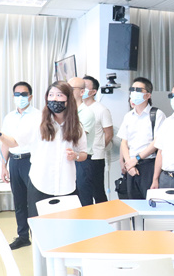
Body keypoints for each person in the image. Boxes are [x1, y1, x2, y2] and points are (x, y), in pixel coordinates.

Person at [0, 81, 87, 217]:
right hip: (41, 184)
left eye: (59, 95)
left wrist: (75, 156)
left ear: (68, 99)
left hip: (67, 185)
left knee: (67, 225)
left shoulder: (76, 126)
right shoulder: (37, 122)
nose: (54, 99)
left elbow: (83, 153)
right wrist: (1, 135)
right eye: (51, 95)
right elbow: (14, 142)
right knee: (39, 225)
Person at [0, 81, 41, 249]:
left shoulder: (38, 115)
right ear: (13, 96)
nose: (20, 97)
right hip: (14, 162)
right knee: (19, 201)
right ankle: (23, 236)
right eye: (17, 94)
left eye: (24, 94)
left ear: (30, 96)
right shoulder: (9, 117)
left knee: (34, 201)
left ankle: (38, 237)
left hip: (31, 161)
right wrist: (4, 165)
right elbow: (4, 142)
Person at [118, 77, 166, 200]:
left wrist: (137, 158)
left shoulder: (157, 114)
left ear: (148, 95)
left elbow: (157, 142)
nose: (134, 92)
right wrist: (129, 163)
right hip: (131, 166)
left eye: (138, 90)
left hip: (149, 164)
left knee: (151, 201)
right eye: (132, 89)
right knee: (133, 202)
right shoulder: (128, 116)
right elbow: (124, 142)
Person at [83, 75, 114, 203]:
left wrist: (99, 148)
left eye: (85, 87)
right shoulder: (77, 108)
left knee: (98, 192)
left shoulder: (101, 110)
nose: (81, 89)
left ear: (93, 92)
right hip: (79, 156)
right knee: (82, 192)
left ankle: (104, 215)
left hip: (95, 157)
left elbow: (109, 134)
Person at [68, 76, 95, 206]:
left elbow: (75, 137)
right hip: (69, 159)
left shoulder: (86, 113)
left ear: (82, 92)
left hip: (82, 160)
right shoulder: (66, 111)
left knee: (83, 199)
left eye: (71, 89)